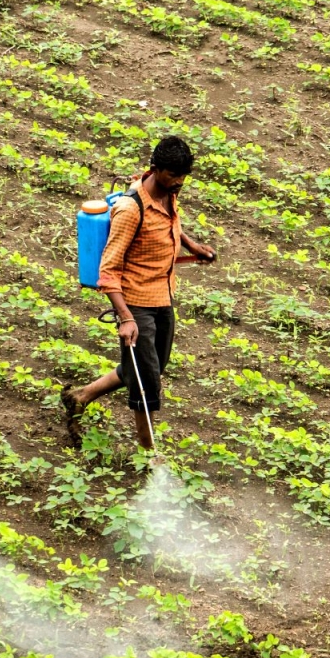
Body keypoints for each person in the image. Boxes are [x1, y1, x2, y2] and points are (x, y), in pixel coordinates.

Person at [62, 136, 215, 448]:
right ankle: (149, 453)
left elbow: (169, 222)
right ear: (155, 169)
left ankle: (81, 395)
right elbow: (108, 270)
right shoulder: (130, 210)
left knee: (152, 365)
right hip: (135, 303)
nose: (179, 183)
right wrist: (126, 317)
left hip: (162, 294)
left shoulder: (167, 193)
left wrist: (192, 246)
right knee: (147, 384)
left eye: (184, 176)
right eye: (174, 176)